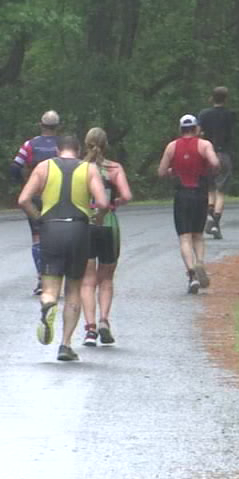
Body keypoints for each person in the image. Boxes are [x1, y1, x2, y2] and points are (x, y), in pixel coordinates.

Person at [17, 135, 108, 362]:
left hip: (51, 229)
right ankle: (65, 344)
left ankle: (48, 304)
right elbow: (103, 202)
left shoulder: (44, 167)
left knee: (50, 286)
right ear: (78, 151)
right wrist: (96, 218)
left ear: (58, 150)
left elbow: (23, 200)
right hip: (78, 230)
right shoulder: (88, 169)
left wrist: (39, 219)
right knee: (73, 290)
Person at [79, 127, 133, 347]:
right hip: (109, 223)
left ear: (86, 144)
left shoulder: (80, 168)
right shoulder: (114, 168)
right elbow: (127, 195)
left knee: (87, 280)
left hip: (86, 222)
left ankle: (90, 329)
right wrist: (115, 203)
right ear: (106, 144)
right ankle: (104, 320)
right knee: (107, 278)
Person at [158, 114, 220, 294]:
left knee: (184, 237)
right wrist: (209, 169)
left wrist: (173, 171)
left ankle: (192, 273)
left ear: (180, 129)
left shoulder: (172, 146)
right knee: (198, 235)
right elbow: (215, 163)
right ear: (195, 128)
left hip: (182, 194)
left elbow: (161, 171)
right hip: (200, 193)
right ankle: (200, 262)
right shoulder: (204, 144)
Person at [10, 110, 62, 295]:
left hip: (35, 195)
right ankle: (56, 276)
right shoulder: (63, 146)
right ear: (57, 127)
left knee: (37, 236)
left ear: (41, 125)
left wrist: (23, 183)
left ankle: (41, 277)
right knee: (58, 234)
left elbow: (15, 167)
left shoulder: (29, 145)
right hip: (59, 196)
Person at [197, 86, 236, 239]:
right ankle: (215, 223)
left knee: (209, 189)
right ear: (226, 99)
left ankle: (210, 217)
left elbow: (198, 132)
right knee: (221, 191)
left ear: (211, 98)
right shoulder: (230, 115)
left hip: (207, 154)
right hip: (224, 154)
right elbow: (231, 135)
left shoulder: (204, 114)